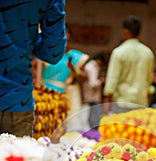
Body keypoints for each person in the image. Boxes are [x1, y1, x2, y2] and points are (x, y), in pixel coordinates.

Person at [0, 0, 66, 137]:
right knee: (14, 158)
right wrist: (26, 41)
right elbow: (53, 52)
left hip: (15, 100)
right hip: (15, 99)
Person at [103, 15, 155, 115]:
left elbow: (112, 80)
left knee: (122, 129)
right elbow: (149, 80)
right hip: (141, 102)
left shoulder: (119, 52)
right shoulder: (148, 53)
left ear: (125, 31)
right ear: (139, 32)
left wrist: (106, 106)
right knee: (136, 130)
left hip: (122, 102)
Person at [41, 29, 89, 122]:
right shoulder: (46, 54)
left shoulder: (76, 57)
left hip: (68, 95)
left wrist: (73, 69)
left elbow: (85, 78)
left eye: (67, 40)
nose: (65, 43)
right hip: (46, 94)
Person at [82, 53, 106, 129]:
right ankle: (94, 130)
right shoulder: (92, 67)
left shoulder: (89, 66)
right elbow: (93, 83)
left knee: (92, 112)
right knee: (94, 113)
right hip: (92, 94)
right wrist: (101, 81)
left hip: (90, 94)